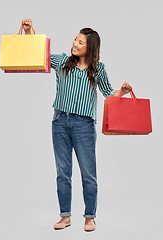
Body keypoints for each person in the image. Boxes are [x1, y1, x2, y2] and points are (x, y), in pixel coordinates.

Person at [22, 19, 132, 232]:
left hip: (84, 125)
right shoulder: (63, 61)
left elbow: (109, 94)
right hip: (60, 122)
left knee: (88, 173)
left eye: (80, 42)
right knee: (63, 172)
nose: (75, 43)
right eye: (75, 39)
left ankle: (90, 217)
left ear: (90, 47)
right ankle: (65, 216)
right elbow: (39, 56)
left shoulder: (98, 69)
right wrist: (29, 32)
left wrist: (123, 92)